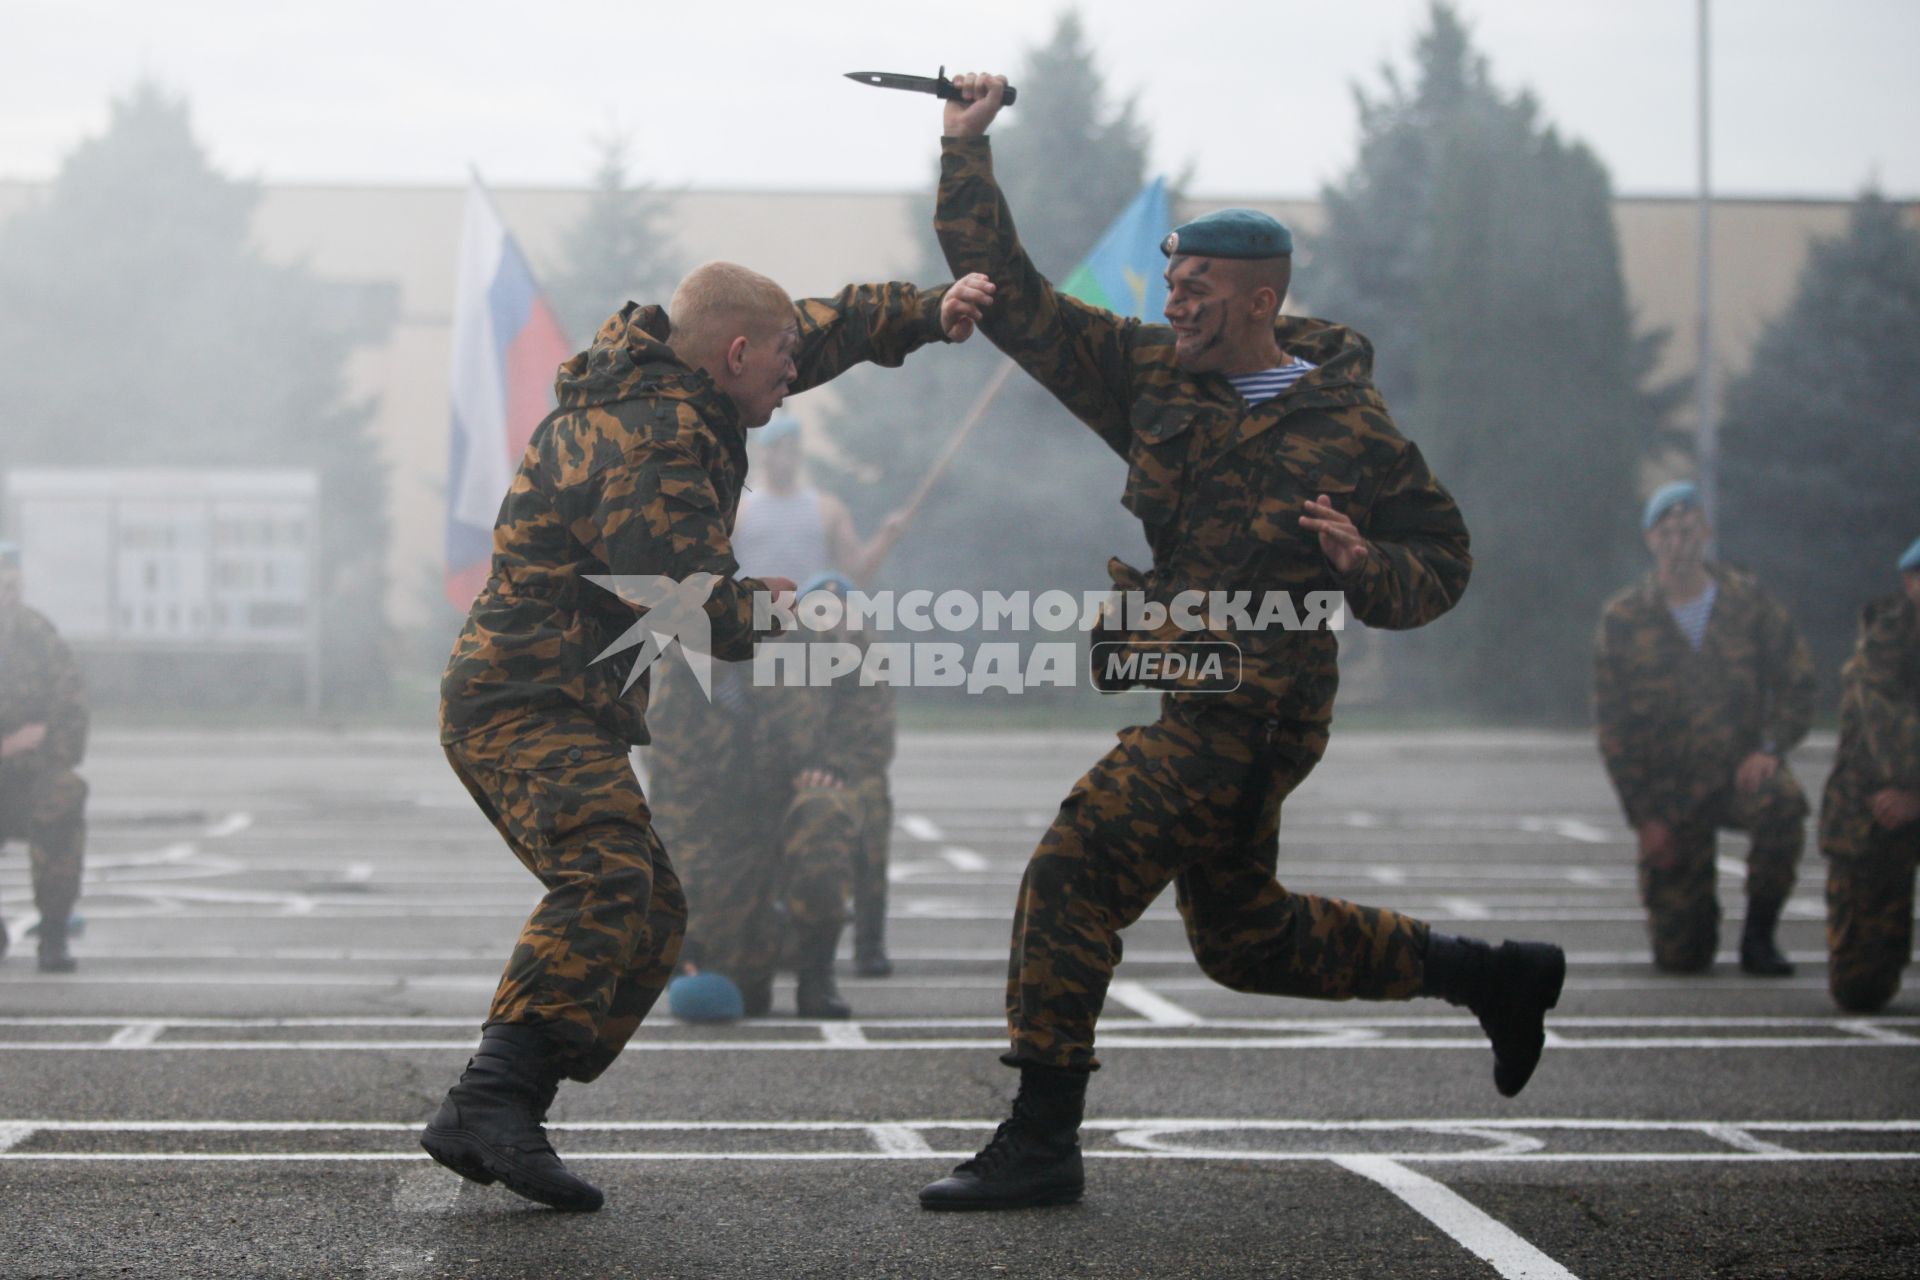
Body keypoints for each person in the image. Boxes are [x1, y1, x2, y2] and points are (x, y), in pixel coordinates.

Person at [917, 75, 1567, 1211]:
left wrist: (1370, 565)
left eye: (1198, 287)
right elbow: (1018, 302)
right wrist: (964, 148)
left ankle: (1040, 1137)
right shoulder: (1154, 381)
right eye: (1170, 282)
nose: (1174, 302)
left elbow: (1445, 558)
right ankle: (1494, 976)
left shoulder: (1346, 424)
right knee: (1245, 938)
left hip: (1258, 714)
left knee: (1073, 869)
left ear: (1261, 298)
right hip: (1191, 697)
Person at [422, 261, 993, 1212]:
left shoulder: (696, 381)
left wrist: (928, 313)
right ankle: (490, 1102)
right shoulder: (651, 442)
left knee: (651, 916)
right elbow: (686, 604)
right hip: (519, 700)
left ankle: (501, 1098)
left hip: (572, 701)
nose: (792, 376)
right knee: (606, 875)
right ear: (734, 355)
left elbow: (822, 325)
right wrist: (778, 611)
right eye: (779, 363)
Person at [1594, 482, 1816, 977]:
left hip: (1739, 773)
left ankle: (1759, 937)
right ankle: (1694, 916)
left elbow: (1799, 683)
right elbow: (1614, 729)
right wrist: (1645, 817)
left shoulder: (1747, 602)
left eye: (1689, 529)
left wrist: (1770, 748)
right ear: (1651, 540)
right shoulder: (1626, 619)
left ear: (1706, 533)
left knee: (1782, 802)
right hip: (1670, 795)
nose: (1680, 542)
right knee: (1681, 958)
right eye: (1668, 532)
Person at [650, 572, 895, 1018]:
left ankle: (817, 977)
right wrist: (681, 924)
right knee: (747, 994)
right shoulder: (672, 699)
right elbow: (677, 822)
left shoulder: (796, 634)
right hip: (732, 823)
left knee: (823, 816)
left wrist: (838, 761)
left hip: (806, 791)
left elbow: (867, 694)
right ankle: (768, 937)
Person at [732, 419, 904, 976]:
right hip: (757, 657)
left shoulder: (825, 509)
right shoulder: (739, 512)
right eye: (774, 447)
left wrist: (886, 538)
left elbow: (854, 572)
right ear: (762, 451)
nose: (783, 457)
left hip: (826, 651)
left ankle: (867, 940)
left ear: (798, 452)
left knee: (854, 794)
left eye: (791, 448)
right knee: (761, 794)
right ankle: (767, 927)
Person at [1820, 537, 1920, 1011]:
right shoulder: (1883, 641)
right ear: (1910, 583)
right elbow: (1893, 737)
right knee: (1861, 988)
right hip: (1873, 814)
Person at [0, 541, 88, 974]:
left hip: (32, 776)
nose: (5, 594)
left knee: (64, 794)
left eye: (12, 585)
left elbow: (72, 718)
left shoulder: (40, 638)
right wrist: (6, 745)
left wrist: (41, 747)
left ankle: (53, 934)